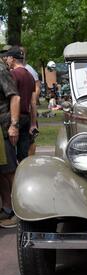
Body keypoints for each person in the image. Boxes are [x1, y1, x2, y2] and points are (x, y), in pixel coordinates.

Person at [4, 46, 37, 162]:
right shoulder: (30, 76)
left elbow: (14, 98)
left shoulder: (13, 74)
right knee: (23, 156)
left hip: (14, 118)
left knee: (10, 154)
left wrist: (14, 124)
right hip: (26, 118)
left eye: (7, 58)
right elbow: (33, 102)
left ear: (12, 59)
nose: (6, 60)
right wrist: (33, 123)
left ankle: (13, 178)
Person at [0, 52, 21, 228]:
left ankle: (19, 211)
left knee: (9, 171)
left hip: (3, 127)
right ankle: (7, 208)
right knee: (1, 172)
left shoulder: (0, 69)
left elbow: (15, 96)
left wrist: (13, 125)